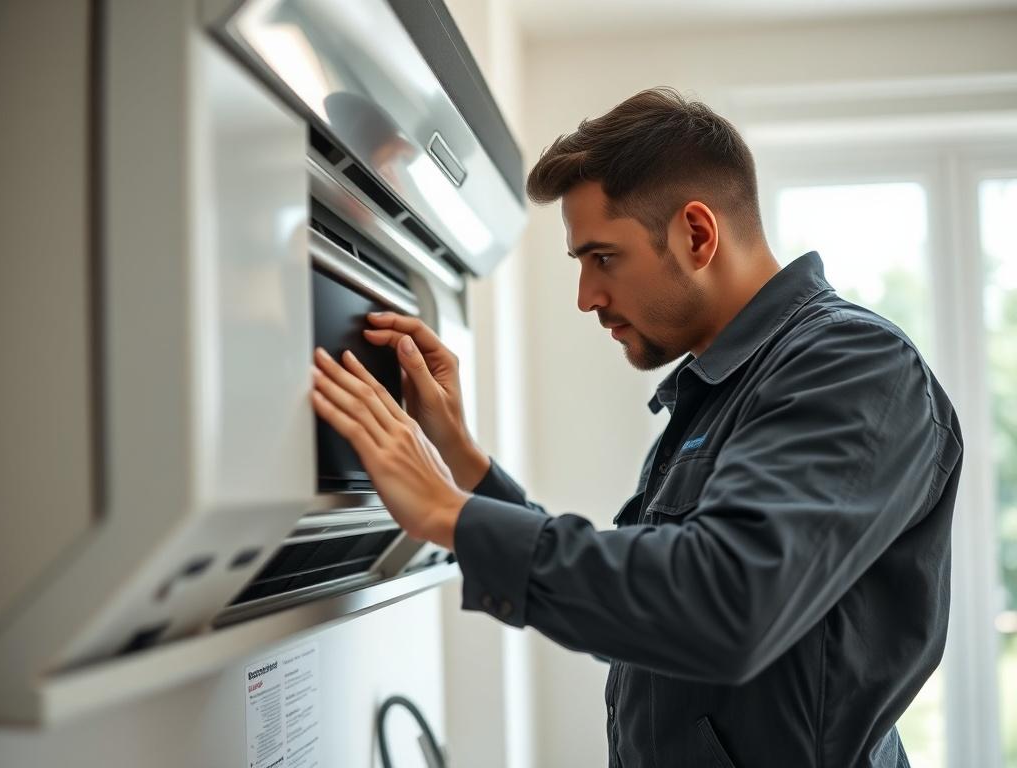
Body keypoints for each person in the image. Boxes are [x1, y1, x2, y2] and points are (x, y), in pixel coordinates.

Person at [309, 88, 963, 768]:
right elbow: (643, 612)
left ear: (697, 234)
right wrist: (460, 457)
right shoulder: (715, 394)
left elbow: (724, 606)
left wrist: (448, 513)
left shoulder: (852, 366)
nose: (587, 297)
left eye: (603, 258)